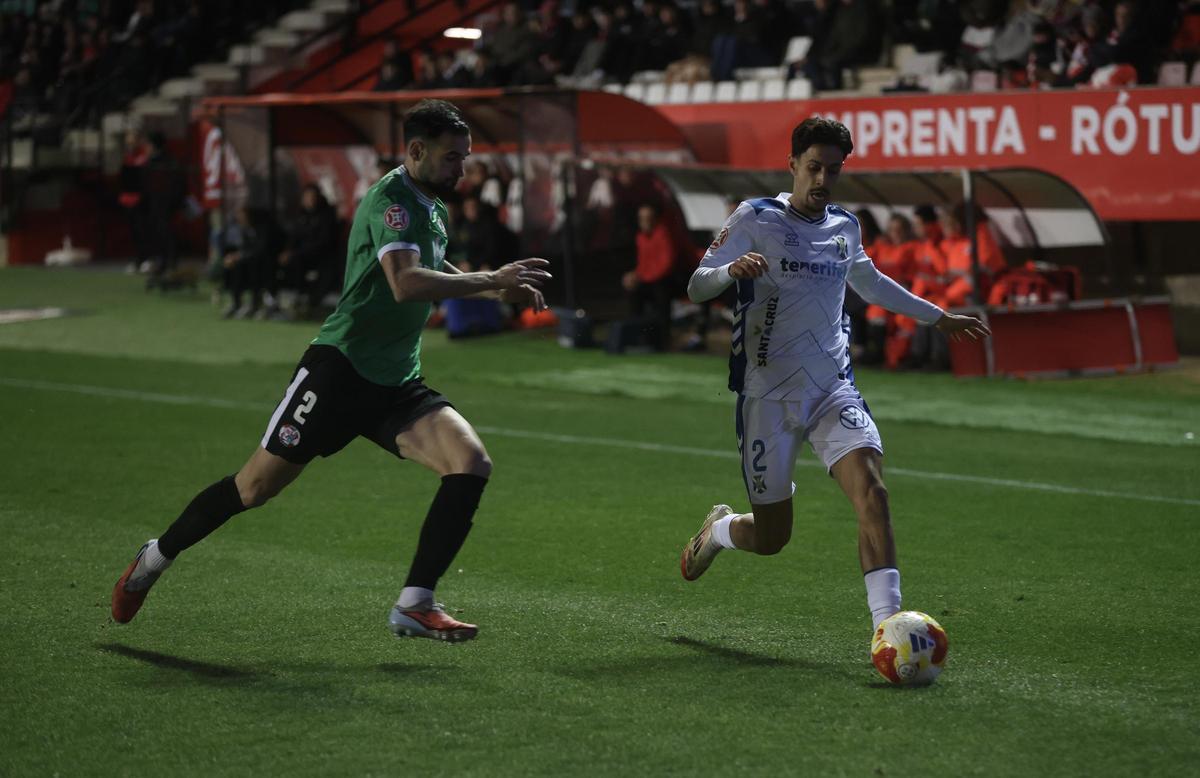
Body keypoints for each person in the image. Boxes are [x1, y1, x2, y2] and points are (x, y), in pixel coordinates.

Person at [111, 99, 551, 643]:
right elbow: (406, 283)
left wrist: (492, 282)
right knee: (251, 489)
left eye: (463, 158)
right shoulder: (392, 201)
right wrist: (492, 277)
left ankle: (415, 602)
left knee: (470, 463)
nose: (461, 169)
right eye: (451, 158)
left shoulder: (428, 200)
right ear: (416, 151)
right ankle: (153, 559)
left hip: (395, 383)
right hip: (337, 373)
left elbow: (430, 268)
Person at [678, 118, 989, 637]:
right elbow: (695, 287)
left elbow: (870, 281)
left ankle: (887, 627)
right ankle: (721, 530)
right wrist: (730, 272)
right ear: (793, 165)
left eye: (833, 170)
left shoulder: (844, 227)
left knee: (874, 492)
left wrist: (938, 315)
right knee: (773, 537)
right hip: (768, 396)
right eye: (814, 167)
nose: (823, 179)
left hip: (831, 388)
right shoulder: (756, 218)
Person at [623, 202, 676, 351]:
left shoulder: (663, 235)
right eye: (642, 218)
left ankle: (662, 340)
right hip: (648, 280)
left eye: (648, 218)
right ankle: (636, 336)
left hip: (663, 280)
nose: (644, 222)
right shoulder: (640, 237)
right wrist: (634, 276)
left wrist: (643, 277)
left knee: (661, 292)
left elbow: (666, 264)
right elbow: (642, 264)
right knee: (632, 292)